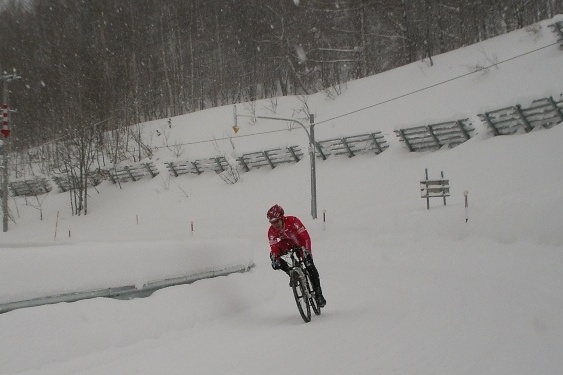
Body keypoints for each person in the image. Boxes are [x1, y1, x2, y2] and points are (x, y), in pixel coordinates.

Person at [266, 204, 326, 308]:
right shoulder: (271, 231)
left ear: (282, 218)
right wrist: (276, 258)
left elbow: (306, 237)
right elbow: (274, 247)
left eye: (277, 221)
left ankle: (319, 294)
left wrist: (307, 251)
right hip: (286, 244)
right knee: (273, 257)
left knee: (310, 265)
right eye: (272, 222)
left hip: (299, 241)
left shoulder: (293, 221)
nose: (275, 225)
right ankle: (291, 273)